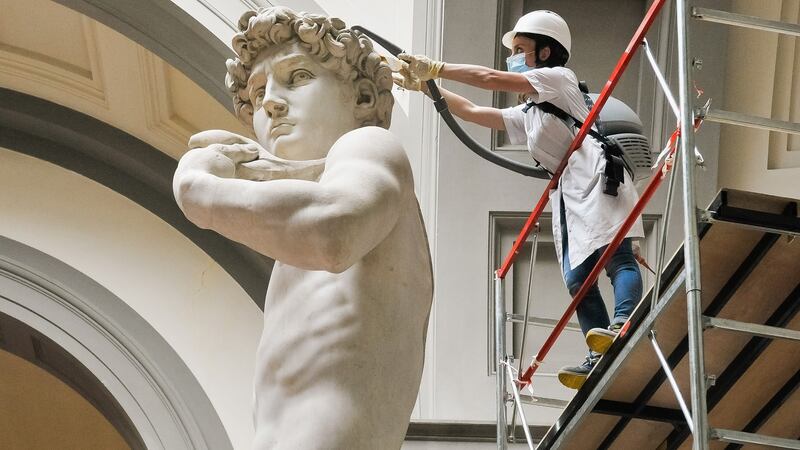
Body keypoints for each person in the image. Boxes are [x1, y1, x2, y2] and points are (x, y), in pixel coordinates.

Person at [173, 7, 433, 448]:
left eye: (296, 77)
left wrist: (201, 193)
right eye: (257, 95)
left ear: (364, 98)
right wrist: (264, 174)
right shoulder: (294, 230)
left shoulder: (371, 147)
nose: (271, 102)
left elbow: (334, 232)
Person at [394, 10, 643, 390]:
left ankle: (623, 321)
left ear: (545, 53)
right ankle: (600, 351)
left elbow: (490, 79)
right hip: (570, 191)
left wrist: (437, 68)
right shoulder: (529, 113)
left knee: (616, 257)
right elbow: (477, 112)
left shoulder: (558, 81)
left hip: (596, 174)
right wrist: (426, 88)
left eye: (522, 49)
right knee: (578, 277)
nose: (514, 57)